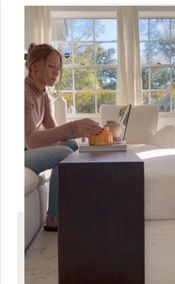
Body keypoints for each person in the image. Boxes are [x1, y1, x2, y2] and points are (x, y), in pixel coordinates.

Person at [25, 43, 103, 231]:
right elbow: (31, 140)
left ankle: (70, 206)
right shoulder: (22, 92)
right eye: (51, 66)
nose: (56, 73)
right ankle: (54, 217)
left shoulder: (43, 96)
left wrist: (79, 131)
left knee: (70, 145)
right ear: (34, 66)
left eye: (58, 68)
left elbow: (54, 133)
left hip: (27, 151)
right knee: (64, 152)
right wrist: (73, 127)